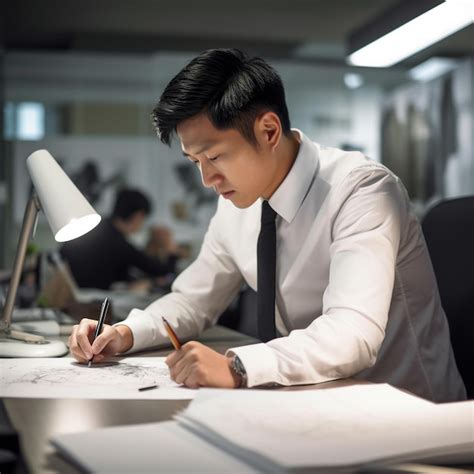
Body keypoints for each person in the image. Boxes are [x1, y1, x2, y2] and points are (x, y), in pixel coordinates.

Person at [68, 49, 466, 402]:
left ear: (269, 130)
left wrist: (239, 367)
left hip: (402, 412)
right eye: (195, 163)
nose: (207, 179)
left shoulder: (362, 190)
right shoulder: (238, 204)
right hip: (310, 402)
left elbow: (352, 334)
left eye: (216, 157)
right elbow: (192, 300)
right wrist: (125, 333)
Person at [61, 189, 178, 290]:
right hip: (92, 300)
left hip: (68, 293)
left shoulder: (91, 226)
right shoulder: (119, 243)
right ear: (138, 216)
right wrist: (171, 249)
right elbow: (161, 271)